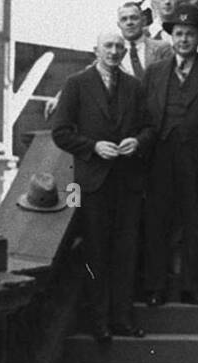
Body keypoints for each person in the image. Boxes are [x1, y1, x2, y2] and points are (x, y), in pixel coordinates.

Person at [51, 27, 151, 342]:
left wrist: (138, 140)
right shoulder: (76, 84)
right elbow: (61, 132)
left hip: (127, 181)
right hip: (92, 182)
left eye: (118, 47)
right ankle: (99, 322)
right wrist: (93, 147)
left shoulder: (134, 86)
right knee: (96, 252)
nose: (113, 52)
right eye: (107, 46)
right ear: (95, 50)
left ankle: (122, 318)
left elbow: (150, 127)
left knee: (126, 252)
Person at [140, 3, 198, 307]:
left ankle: (193, 287)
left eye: (190, 34)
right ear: (171, 36)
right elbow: (144, 115)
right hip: (160, 155)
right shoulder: (154, 72)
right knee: (158, 221)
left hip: (196, 158)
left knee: (195, 222)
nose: (184, 39)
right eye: (179, 33)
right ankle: (155, 287)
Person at [117, 0, 170, 78]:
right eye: (124, 19)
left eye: (134, 18)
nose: (129, 22)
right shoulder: (114, 54)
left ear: (143, 20)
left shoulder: (162, 48)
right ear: (119, 25)